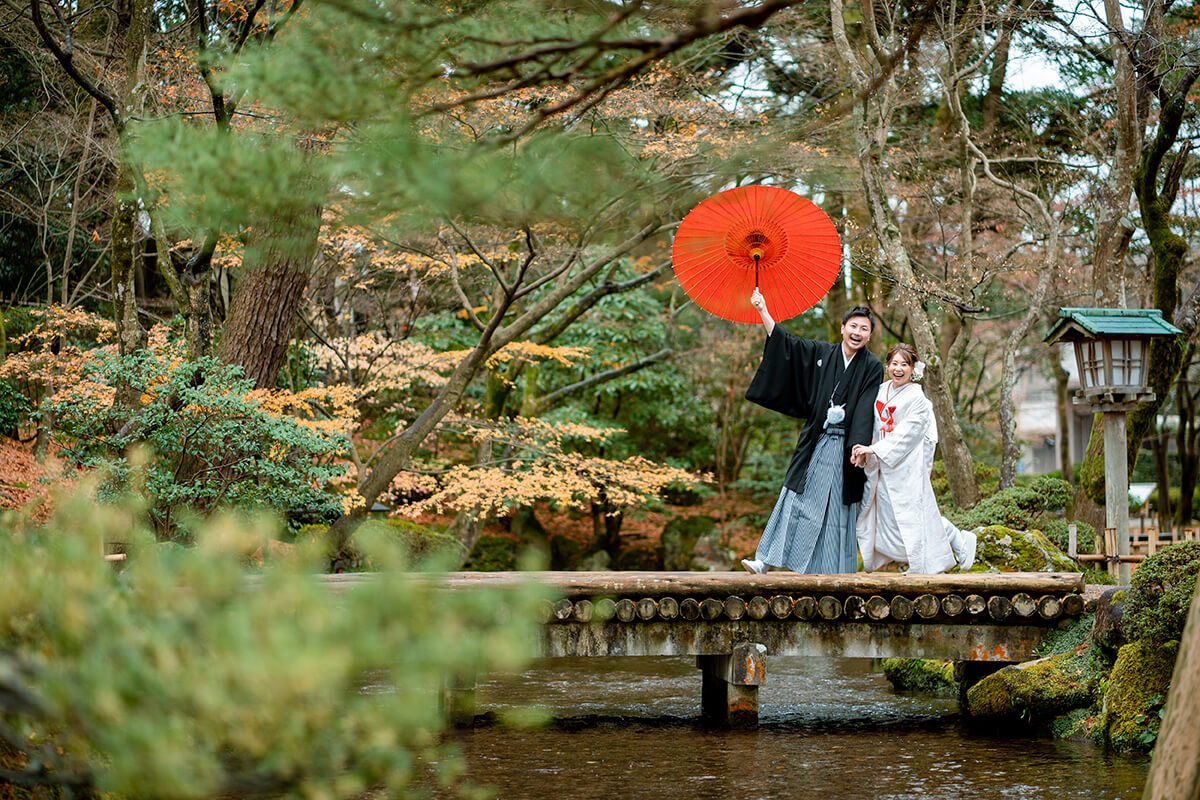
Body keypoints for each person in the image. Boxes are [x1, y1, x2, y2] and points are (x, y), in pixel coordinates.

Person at [740, 289, 884, 574]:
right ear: (842, 328)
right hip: (817, 441)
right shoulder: (822, 353)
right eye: (853, 326)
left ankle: (833, 571)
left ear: (869, 335)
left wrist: (859, 446)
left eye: (864, 329)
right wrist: (763, 310)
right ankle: (764, 560)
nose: (857, 332)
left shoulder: (872, 366)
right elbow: (787, 345)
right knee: (794, 498)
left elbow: (867, 406)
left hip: (846, 449)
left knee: (836, 510)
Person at [850, 343, 977, 574]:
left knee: (911, 518)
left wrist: (875, 450)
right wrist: (864, 451)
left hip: (905, 466)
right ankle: (933, 550)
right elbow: (872, 426)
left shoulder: (918, 399)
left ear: (912, 369)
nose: (899, 369)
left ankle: (953, 539)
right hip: (881, 465)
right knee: (889, 522)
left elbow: (908, 433)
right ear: (887, 365)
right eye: (894, 363)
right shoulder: (879, 391)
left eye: (904, 365)